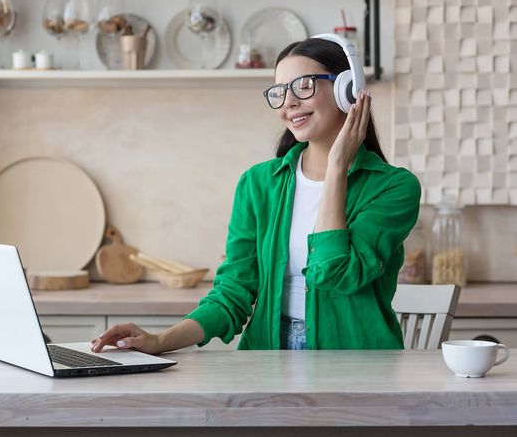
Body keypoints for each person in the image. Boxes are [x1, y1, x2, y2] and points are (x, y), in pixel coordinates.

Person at [91, 36, 421, 354]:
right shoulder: (258, 184)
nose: (288, 102)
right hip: (268, 357)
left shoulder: (393, 187)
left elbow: (334, 272)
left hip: (358, 364)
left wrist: (337, 167)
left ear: (346, 90)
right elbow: (233, 292)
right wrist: (161, 340)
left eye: (303, 86)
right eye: (279, 92)